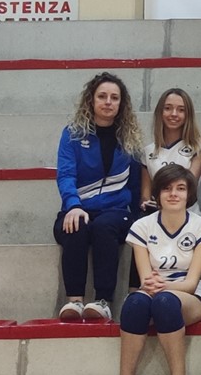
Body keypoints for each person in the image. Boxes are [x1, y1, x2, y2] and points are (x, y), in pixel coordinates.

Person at [114, 163, 201, 375]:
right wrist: (154, 286)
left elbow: (191, 283)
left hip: (188, 296)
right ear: (157, 193)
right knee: (134, 303)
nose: (173, 194)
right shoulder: (142, 226)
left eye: (180, 188)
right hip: (152, 291)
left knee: (165, 302)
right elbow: (146, 278)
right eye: (167, 188)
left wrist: (165, 286)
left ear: (189, 194)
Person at [54, 71, 146, 320]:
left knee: (105, 226)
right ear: (91, 100)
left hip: (116, 213)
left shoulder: (130, 138)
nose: (108, 102)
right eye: (102, 96)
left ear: (121, 104)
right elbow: (66, 174)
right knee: (76, 225)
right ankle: (75, 302)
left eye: (114, 98)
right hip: (79, 207)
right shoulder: (73, 134)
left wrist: (140, 217)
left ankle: (103, 302)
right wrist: (73, 205)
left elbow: (135, 184)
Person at [139, 87, 201, 211]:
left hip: (188, 215)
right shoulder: (148, 151)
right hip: (158, 215)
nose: (174, 114)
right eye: (168, 108)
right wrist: (146, 204)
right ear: (160, 112)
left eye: (181, 110)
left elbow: (189, 188)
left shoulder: (199, 147)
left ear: (188, 115)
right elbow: (146, 195)